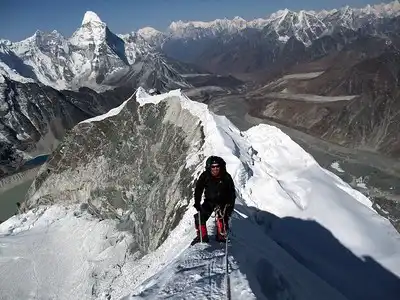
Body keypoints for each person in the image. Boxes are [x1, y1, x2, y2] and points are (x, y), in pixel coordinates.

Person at [191, 156, 236, 245]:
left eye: (217, 166)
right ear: (209, 167)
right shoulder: (205, 176)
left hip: (223, 203)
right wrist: (197, 202)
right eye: (213, 167)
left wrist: (230, 207)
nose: (215, 169)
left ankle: (221, 236)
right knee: (199, 217)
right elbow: (199, 189)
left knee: (222, 218)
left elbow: (232, 193)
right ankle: (202, 237)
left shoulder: (226, 177)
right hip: (209, 201)